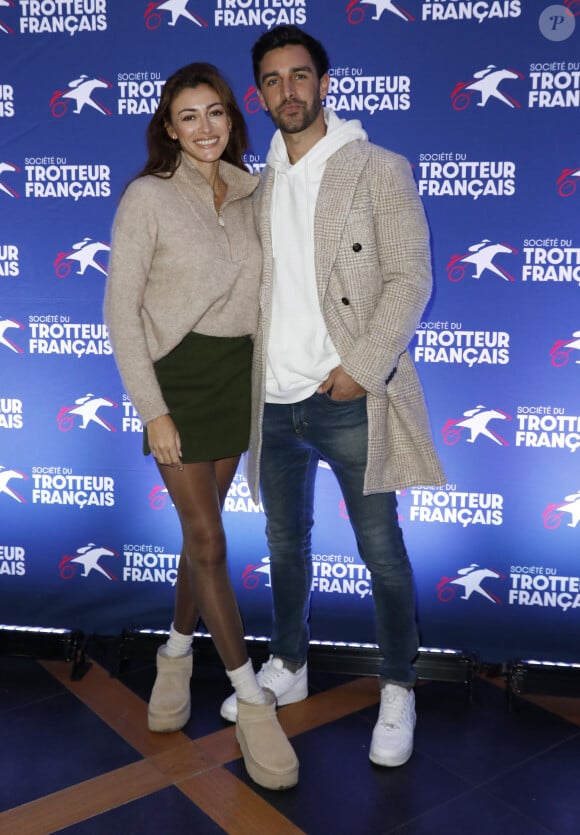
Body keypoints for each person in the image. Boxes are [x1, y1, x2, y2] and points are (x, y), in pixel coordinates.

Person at [220, 27, 446, 768]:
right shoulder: (254, 186)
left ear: (324, 84)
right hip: (273, 403)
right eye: (273, 79)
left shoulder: (378, 168)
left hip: (349, 394)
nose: (288, 90)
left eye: (300, 75)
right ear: (259, 93)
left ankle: (398, 684)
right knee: (285, 544)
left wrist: (362, 365)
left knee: (381, 550)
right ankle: (289, 661)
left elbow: (410, 278)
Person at [104, 62, 298, 791]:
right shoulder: (147, 197)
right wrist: (152, 408)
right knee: (210, 538)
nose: (205, 128)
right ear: (168, 127)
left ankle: (177, 650)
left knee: (202, 531)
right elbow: (121, 312)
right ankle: (252, 701)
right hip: (176, 384)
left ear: (231, 119)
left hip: (234, 381)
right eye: (189, 116)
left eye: (215, 113)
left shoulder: (255, 193)